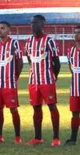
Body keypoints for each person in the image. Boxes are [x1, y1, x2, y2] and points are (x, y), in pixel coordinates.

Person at [24, 15, 61, 146]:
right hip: (33, 80)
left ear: (42, 25)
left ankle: (56, 138)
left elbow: (57, 62)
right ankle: (38, 137)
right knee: (36, 108)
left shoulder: (49, 41)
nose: (33, 25)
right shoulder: (28, 42)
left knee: (52, 106)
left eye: (36, 23)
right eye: (32, 23)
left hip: (47, 80)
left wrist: (53, 76)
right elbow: (29, 59)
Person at [0, 21, 23, 144]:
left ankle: (17, 136)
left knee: (13, 109)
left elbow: (19, 63)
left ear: (9, 30)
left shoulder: (14, 43)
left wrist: (14, 77)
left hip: (10, 84)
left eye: (2, 28)